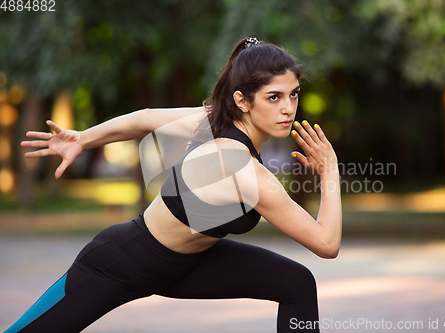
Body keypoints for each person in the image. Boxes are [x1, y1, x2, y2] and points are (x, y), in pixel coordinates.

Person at [6, 37, 342, 333]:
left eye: (293, 94)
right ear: (242, 101)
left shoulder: (213, 121)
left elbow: (146, 118)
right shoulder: (244, 172)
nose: (288, 108)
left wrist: (83, 138)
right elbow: (326, 243)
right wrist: (328, 172)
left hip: (186, 265)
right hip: (122, 262)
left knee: (295, 282)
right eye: (274, 97)